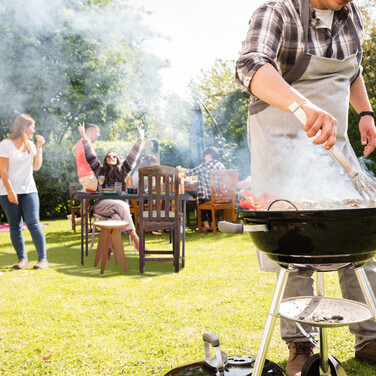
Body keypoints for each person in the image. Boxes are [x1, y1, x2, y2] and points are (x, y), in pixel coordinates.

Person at [236, 0, 376, 374]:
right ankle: (299, 343)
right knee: (295, 246)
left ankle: (371, 337)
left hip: (334, 144)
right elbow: (250, 66)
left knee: (357, 230)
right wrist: (303, 106)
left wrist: (364, 112)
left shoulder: (351, 16)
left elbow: (353, 70)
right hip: (281, 142)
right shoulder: (276, 11)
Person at [78, 124, 143, 251]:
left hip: (117, 207)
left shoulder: (123, 172)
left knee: (117, 218)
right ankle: (135, 237)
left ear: (118, 159)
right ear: (105, 160)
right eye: (109, 156)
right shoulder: (99, 171)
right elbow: (90, 157)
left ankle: (107, 250)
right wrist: (84, 137)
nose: (111, 158)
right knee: (123, 205)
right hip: (103, 205)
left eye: (114, 156)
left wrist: (140, 140)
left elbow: (132, 157)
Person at [0, 115, 48, 269]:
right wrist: (10, 191)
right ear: (23, 127)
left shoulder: (31, 145)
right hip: (8, 191)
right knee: (15, 225)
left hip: (29, 190)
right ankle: (22, 259)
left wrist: (39, 147)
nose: (33, 130)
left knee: (33, 223)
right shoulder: (5, 145)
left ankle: (43, 259)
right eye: (31, 126)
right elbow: (3, 170)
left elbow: (36, 166)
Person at [181, 147, 225, 232]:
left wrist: (182, 170)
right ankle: (212, 224)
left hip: (209, 196)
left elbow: (190, 172)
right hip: (221, 196)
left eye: (205, 155)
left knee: (201, 201)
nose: (204, 157)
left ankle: (206, 225)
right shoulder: (221, 165)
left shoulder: (205, 165)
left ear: (209, 155)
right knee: (205, 200)